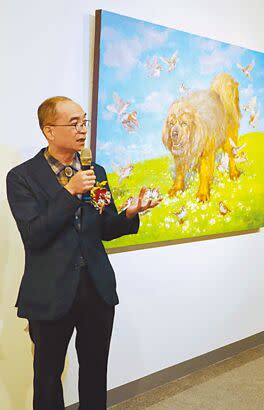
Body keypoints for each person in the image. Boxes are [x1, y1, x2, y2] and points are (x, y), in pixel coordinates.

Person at [5, 96, 160, 409]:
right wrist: (70, 191)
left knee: (94, 371)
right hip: (49, 292)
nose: (82, 130)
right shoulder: (22, 177)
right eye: (73, 123)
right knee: (47, 377)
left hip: (96, 289)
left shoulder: (95, 171)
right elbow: (35, 235)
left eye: (84, 122)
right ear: (49, 131)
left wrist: (130, 213)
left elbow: (104, 229)